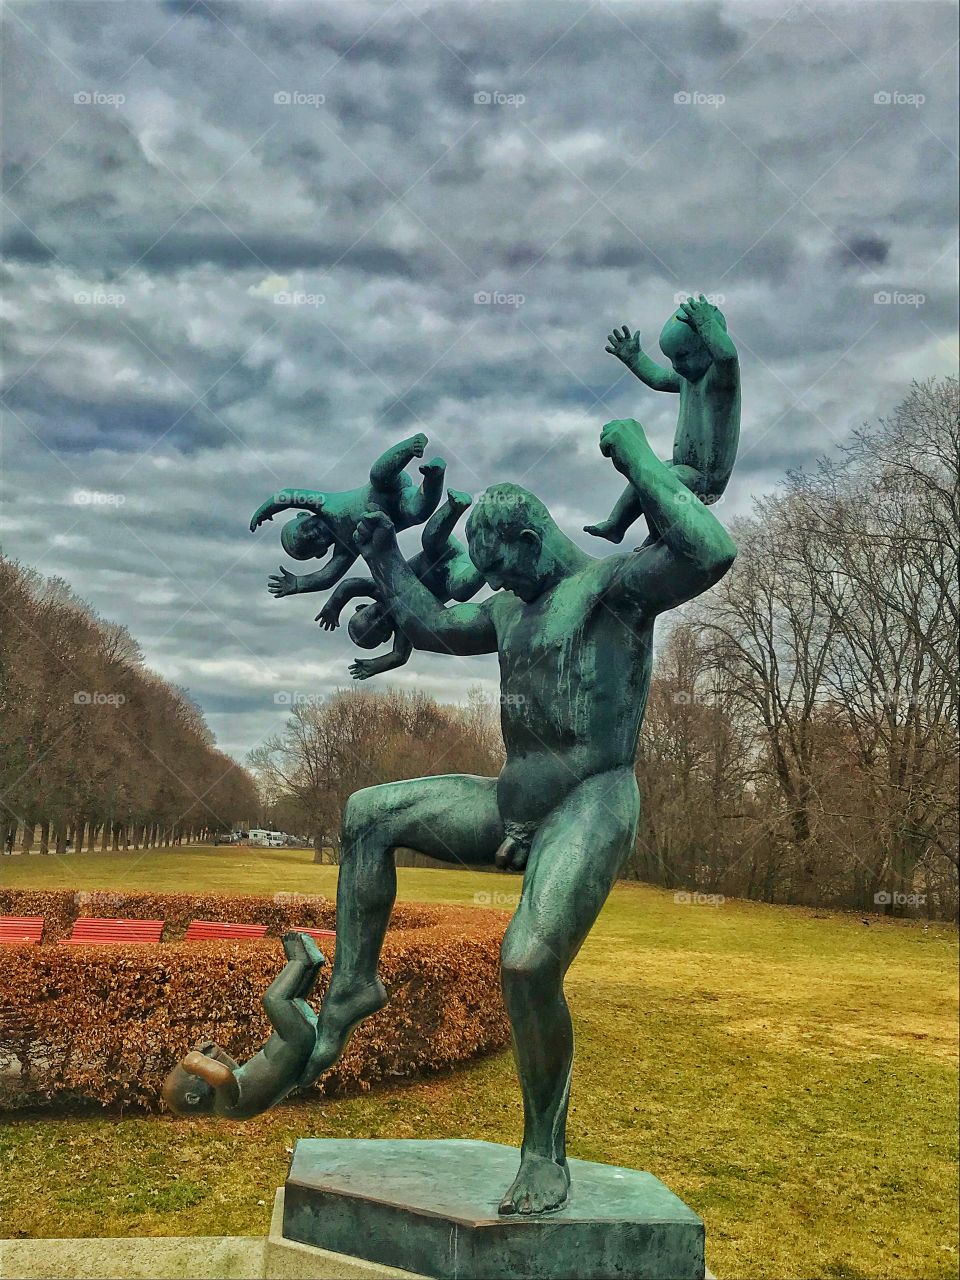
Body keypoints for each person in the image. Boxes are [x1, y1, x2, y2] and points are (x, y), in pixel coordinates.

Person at [295, 417, 737, 1215]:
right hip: (510, 802)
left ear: (532, 541)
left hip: (592, 800)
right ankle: (355, 987)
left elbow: (711, 551)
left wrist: (637, 454)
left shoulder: (613, 590)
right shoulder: (507, 613)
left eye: (501, 570)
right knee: (368, 814)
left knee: (528, 965)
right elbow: (429, 623)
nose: (495, 587)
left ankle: (544, 1150)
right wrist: (382, 553)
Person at [585, 295, 740, 545]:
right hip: (683, 468)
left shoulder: (720, 381)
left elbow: (728, 357)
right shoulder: (687, 380)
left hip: (706, 480)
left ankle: (659, 535)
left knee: (659, 481)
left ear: (707, 348)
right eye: (672, 359)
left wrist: (707, 325)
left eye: (682, 357)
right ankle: (617, 524)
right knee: (646, 473)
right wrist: (635, 358)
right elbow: (657, 378)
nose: (676, 366)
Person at [314, 487, 485, 680]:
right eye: (380, 627)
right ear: (388, 636)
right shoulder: (405, 625)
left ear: (363, 606)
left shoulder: (378, 588)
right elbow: (400, 656)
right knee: (460, 590)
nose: (380, 619)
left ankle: (454, 507)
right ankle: (488, 557)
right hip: (453, 574)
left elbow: (350, 586)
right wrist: (376, 666)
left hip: (439, 555)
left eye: (373, 615)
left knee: (430, 539)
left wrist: (333, 606)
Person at [249, 434, 446, 598]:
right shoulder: (346, 547)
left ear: (304, 516)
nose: (311, 535)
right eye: (310, 544)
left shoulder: (325, 504)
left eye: (304, 530)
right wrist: (299, 584)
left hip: (385, 487)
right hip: (399, 510)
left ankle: (411, 446)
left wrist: (267, 509)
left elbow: (290, 495)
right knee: (417, 512)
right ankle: (434, 477)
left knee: (377, 476)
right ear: (321, 552)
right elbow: (328, 577)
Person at [162, 932, 325, 1120]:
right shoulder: (225, 1105)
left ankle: (312, 966)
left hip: (293, 1043)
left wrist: (215, 1054)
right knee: (273, 1000)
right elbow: (223, 1076)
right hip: (295, 1042)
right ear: (192, 1098)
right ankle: (301, 961)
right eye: (197, 1075)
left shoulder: (231, 1098)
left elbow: (232, 1071)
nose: (204, 1070)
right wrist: (194, 1062)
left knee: (294, 999)